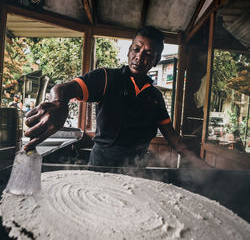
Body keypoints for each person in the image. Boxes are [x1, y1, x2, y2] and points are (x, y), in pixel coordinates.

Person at [24, 26, 210, 169]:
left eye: (148, 54)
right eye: (136, 49)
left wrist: (200, 164)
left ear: (156, 60)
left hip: (136, 169)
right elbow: (63, 89)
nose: (139, 57)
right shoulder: (106, 78)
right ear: (129, 50)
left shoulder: (155, 97)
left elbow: (174, 138)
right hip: (101, 165)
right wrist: (58, 102)